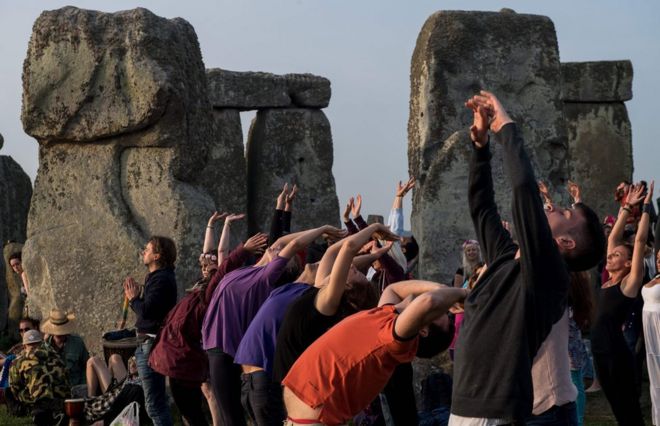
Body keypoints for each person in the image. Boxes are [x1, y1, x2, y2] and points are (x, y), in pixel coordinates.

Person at [450, 91, 605, 424]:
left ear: (565, 241)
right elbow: (482, 209)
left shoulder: (550, 277)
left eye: (563, 211)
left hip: (497, 410)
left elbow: (524, 193)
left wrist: (505, 127)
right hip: (464, 401)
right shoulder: (508, 257)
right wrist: (479, 149)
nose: (553, 208)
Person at [202, 225, 344, 426]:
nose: (276, 247)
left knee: (231, 417)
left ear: (283, 264)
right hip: (214, 345)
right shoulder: (249, 269)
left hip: (224, 348)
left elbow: (293, 244)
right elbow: (282, 242)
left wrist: (322, 230)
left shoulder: (266, 277)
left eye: (282, 253)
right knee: (230, 415)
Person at [282, 279, 466, 426]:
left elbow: (430, 301)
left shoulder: (396, 340)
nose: (443, 307)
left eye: (438, 312)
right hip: (299, 418)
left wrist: (463, 293)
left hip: (313, 420)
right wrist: (440, 287)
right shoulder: (387, 314)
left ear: (422, 329)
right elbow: (393, 289)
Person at [150, 221, 268, 426]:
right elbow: (209, 254)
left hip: (184, 360)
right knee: (192, 412)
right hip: (179, 358)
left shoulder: (210, 293)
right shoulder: (200, 289)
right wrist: (212, 226)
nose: (205, 267)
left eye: (209, 266)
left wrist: (243, 250)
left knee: (195, 413)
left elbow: (222, 265)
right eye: (203, 266)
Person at [591, 182, 653, 426]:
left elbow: (638, 242)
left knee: (629, 411)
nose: (610, 256)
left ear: (628, 264)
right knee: (618, 410)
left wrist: (646, 207)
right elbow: (614, 238)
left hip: (616, 355)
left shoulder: (628, 284)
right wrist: (626, 207)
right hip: (600, 353)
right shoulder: (608, 282)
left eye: (617, 255)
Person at [123, 235, 178, 426]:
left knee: (154, 405)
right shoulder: (157, 277)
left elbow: (146, 311)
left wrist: (134, 299)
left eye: (147, 250)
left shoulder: (162, 279)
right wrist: (136, 300)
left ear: (157, 256)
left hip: (151, 345)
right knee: (153, 403)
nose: (143, 252)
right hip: (146, 344)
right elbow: (148, 311)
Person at [9, 329, 69, 424]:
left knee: (8, 392)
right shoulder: (56, 357)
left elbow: (14, 387)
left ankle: (25, 410)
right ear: (41, 343)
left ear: (24, 346)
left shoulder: (18, 362)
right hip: (61, 399)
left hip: (39, 403)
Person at [41, 308, 89, 397]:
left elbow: (86, 366)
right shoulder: (44, 347)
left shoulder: (77, 343)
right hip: (54, 393)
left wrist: (83, 386)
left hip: (76, 389)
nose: (60, 334)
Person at [643, 249, 660, 425]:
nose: (658, 261)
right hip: (651, 337)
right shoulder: (654, 277)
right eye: (658, 258)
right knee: (655, 378)